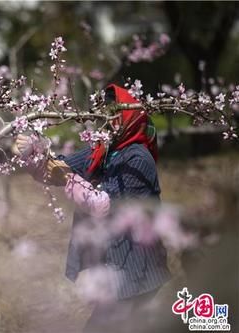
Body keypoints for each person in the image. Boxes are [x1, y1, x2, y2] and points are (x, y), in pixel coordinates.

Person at [13, 84, 172, 332]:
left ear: (129, 117)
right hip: (116, 265)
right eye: (104, 116)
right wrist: (34, 152)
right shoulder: (103, 150)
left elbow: (99, 204)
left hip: (138, 269)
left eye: (113, 115)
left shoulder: (138, 158)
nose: (106, 122)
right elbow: (57, 169)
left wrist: (65, 175)